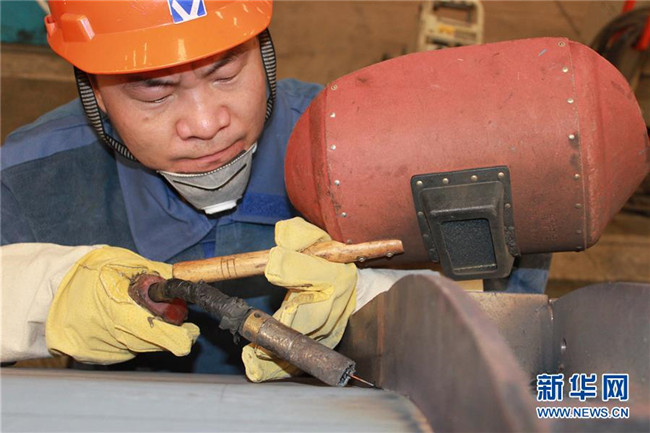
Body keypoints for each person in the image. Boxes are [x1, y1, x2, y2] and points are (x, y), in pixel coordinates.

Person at [1, 0, 435, 381]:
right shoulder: (31, 180)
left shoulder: (358, 149)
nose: (207, 124)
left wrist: (370, 297)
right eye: (154, 90)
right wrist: (42, 293)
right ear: (94, 89)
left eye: (225, 71)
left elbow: (472, 304)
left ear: (264, 50)